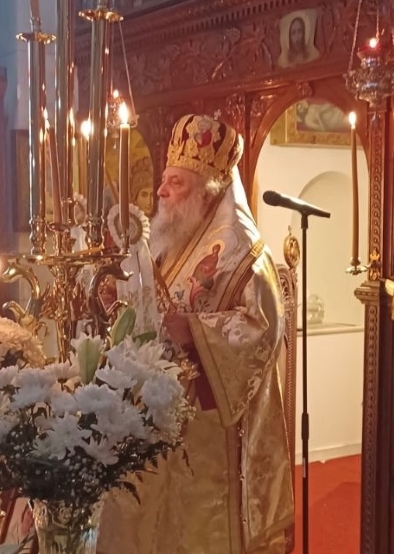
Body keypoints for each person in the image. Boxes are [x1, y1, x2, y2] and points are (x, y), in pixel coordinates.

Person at [98, 114, 294, 554]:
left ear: (208, 191)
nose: (161, 191)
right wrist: (119, 300)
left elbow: (262, 332)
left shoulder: (247, 254)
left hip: (213, 435)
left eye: (176, 183)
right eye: (164, 180)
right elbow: (153, 306)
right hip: (162, 417)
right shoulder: (174, 238)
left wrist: (198, 331)